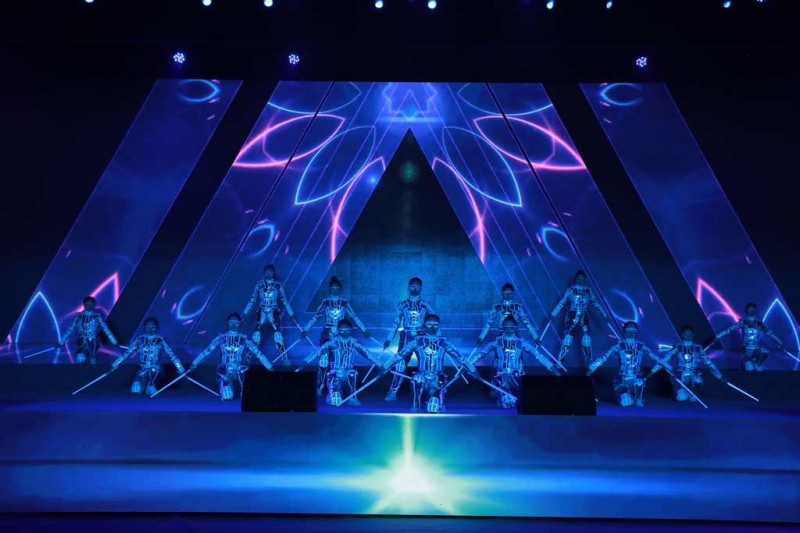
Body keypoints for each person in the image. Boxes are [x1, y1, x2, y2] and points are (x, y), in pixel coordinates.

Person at [302, 276, 370, 393]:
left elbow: (353, 317)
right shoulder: (325, 302)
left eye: (337, 288)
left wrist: (364, 329)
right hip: (327, 334)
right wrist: (306, 329)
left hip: (341, 335)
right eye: (333, 288)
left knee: (340, 361)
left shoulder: (344, 302)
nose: (335, 290)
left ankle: (338, 387)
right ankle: (320, 386)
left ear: (340, 289)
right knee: (323, 360)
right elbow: (316, 317)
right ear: (329, 289)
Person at [473, 317, 560, 409]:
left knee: (521, 402)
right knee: (507, 404)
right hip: (500, 375)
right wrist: (468, 364)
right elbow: (480, 354)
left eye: (511, 327)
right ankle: (502, 393)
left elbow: (536, 355)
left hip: (516, 375)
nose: (509, 329)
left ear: (515, 327)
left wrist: (551, 367)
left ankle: (506, 393)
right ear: (503, 327)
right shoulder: (496, 342)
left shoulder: (521, 342)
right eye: (506, 326)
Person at [383, 314, 461, 413]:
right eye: (429, 324)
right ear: (424, 325)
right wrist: (385, 366)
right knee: (417, 379)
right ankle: (416, 404)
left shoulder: (443, 342)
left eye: (435, 325)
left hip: (437, 377)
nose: (432, 327)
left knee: (438, 392)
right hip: (422, 375)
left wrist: (472, 369)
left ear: (438, 326)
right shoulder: (417, 341)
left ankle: (439, 401)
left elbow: (460, 357)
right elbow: (400, 355)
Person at [185, 313, 273, 401]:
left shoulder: (244, 339)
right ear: (227, 323)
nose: (233, 325)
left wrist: (270, 367)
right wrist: (194, 363)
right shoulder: (220, 338)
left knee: (244, 372)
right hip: (224, 369)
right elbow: (206, 351)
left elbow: (258, 354)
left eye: (236, 323)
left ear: (239, 323)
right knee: (227, 395)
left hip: (239, 368)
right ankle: (227, 385)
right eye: (231, 322)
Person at [587, 321, 671, 407]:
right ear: (624, 331)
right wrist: (592, 367)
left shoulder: (641, 347)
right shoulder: (619, 346)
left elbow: (656, 359)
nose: (631, 333)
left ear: (636, 332)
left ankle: (637, 397)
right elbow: (604, 358)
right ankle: (626, 394)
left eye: (633, 331)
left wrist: (669, 367)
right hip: (622, 379)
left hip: (636, 378)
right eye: (628, 331)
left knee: (639, 390)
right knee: (626, 402)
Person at [300, 319, 379, 406]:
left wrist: (380, 364)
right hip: (335, 373)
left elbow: (367, 353)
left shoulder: (354, 342)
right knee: (336, 401)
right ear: (338, 330)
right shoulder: (332, 343)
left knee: (352, 374)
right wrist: (305, 361)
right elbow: (318, 352)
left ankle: (352, 396)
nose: (344, 333)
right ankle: (334, 393)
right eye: (342, 330)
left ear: (351, 330)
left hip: (348, 371)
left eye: (347, 331)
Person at [383, 277, 434, 401]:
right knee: (400, 364)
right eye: (412, 286)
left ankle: (428, 392)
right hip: (406, 336)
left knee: (426, 364)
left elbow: (433, 322)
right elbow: (396, 322)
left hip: (421, 338)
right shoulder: (403, 304)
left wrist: (436, 338)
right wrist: (389, 339)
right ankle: (393, 391)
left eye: (417, 286)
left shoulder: (426, 305)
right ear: (408, 287)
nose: (414, 288)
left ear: (421, 288)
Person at [111, 317, 184, 395]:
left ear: (157, 327)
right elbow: (127, 353)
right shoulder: (139, 339)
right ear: (144, 327)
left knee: (151, 386)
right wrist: (115, 364)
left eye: (153, 327)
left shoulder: (161, 340)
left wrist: (181, 368)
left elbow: (172, 355)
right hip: (142, 368)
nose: (150, 329)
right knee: (135, 390)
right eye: (148, 326)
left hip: (155, 369)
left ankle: (151, 385)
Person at [550, 270, 609, 364]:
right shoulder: (571, 289)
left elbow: (596, 303)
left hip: (583, 315)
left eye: (582, 279)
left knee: (586, 339)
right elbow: (562, 302)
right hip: (572, 315)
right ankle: (560, 360)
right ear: (576, 279)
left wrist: (604, 314)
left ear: (584, 279)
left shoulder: (588, 291)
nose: (580, 281)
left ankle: (589, 361)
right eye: (578, 279)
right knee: (567, 338)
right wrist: (554, 313)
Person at [655, 325, 723, 402]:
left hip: (694, 373)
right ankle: (681, 389)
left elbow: (708, 362)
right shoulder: (678, 347)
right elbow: (665, 359)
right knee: (681, 398)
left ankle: (693, 391)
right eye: (686, 334)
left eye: (690, 334)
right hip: (681, 373)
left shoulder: (698, 347)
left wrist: (719, 376)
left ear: (693, 335)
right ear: (682, 335)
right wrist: (658, 367)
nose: (688, 336)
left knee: (697, 385)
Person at [242, 264, 295, 361]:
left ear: (273, 273)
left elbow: (284, 301)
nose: (268, 273)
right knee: (256, 335)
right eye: (267, 271)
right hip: (262, 311)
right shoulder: (259, 285)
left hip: (273, 311)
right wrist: (245, 312)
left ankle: (284, 357)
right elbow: (252, 300)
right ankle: (248, 357)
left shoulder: (278, 285)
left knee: (278, 335)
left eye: (270, 271)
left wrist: (291, 313)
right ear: (264, 272)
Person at [712, 303, 786, 371]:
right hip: (746, 349)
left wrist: (780, 342)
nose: (751, 311)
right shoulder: (743, 322)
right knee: (750, 369)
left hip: (756, 349)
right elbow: (729, 329)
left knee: (764, 354)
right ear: (746, 311)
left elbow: (770, 333)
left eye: (753, 310)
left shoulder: (759, 323)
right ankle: (746, 362)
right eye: (749, 310)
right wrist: (717, 336)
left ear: (756, 310)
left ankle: (755, 362)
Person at [57, 296, 118, 364]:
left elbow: (106, 329)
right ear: (84, 304)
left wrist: (114, 342)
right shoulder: (78, 316)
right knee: (80, 358)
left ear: (94, 305)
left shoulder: (97, 316)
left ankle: (92, 364)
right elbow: (70, 330)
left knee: (92, 357)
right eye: (87, 304)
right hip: (81, 342)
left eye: (91, 304)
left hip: (93, 341)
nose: (89, 305)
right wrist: (61, 342)